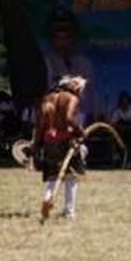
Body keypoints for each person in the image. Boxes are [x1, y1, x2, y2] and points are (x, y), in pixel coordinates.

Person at [34, 75, 86, 220]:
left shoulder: (48, 98)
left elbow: (41, 125)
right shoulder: (71, 98)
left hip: (49, 141)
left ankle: (47, 197)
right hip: (66, 140)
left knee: (52, 176)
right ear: (75, 87)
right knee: (72, 177)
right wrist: (80, 131)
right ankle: (69, 212)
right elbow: (69, 118)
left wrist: (37, 144)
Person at [43, 7, 100, 122]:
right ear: (51, 37)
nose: (62, 42)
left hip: (82, 118)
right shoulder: (45, 62)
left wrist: (96, 115)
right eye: (58, 36)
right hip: (55, 120)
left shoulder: (84, 63)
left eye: (67, 36)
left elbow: (92, 95)